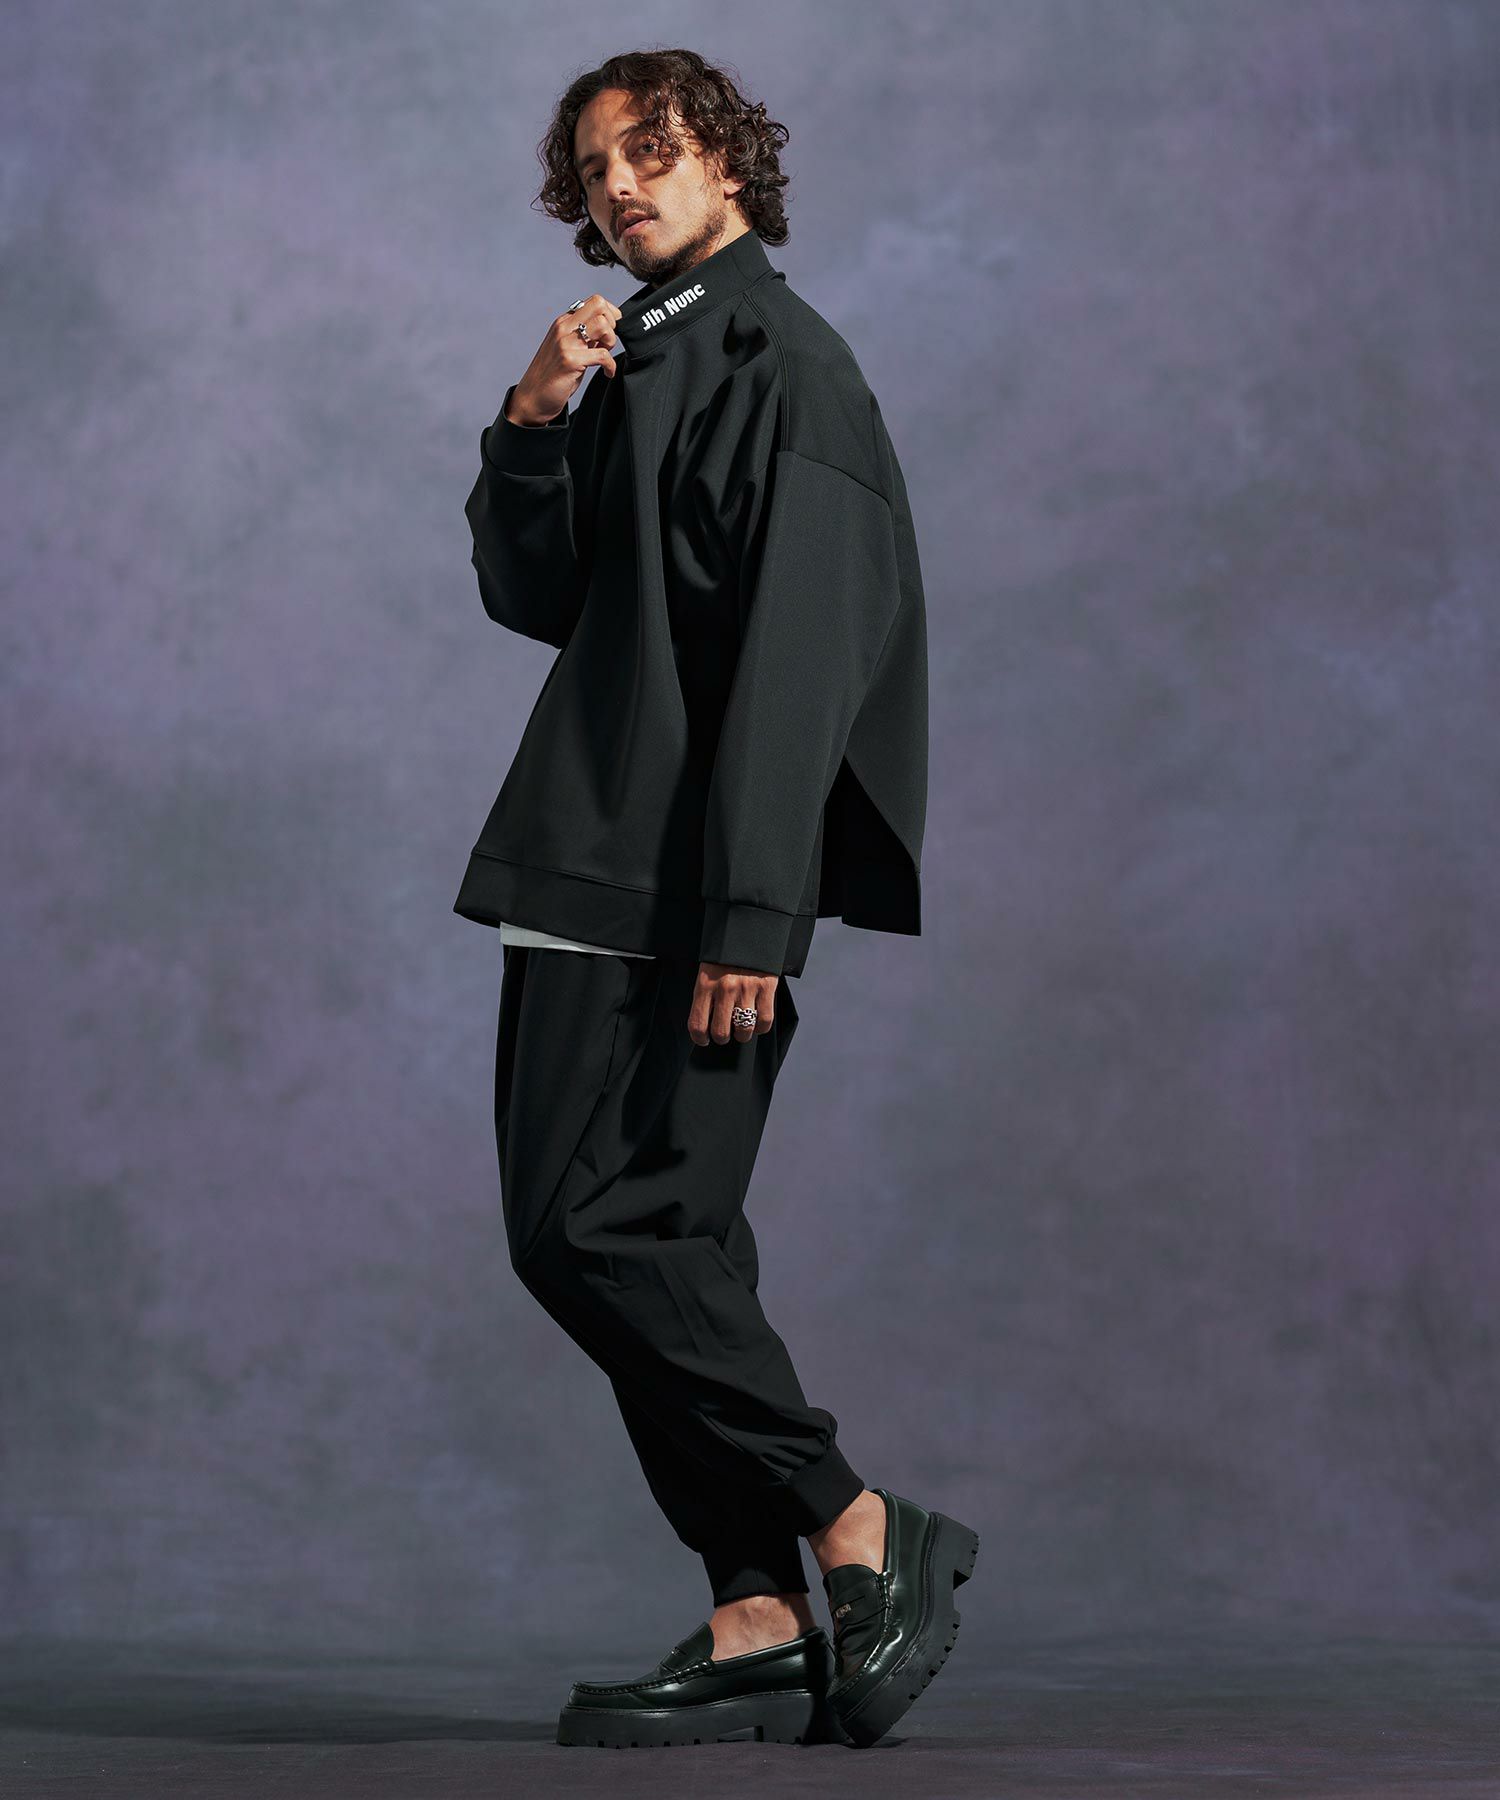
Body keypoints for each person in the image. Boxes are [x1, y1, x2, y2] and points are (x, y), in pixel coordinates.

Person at [451, 47, 977, 1750]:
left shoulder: (786, 368)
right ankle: (754, 1608)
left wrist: (757, 914)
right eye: (595, 165)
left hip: (677, 885)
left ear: (728, 162)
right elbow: (543, 598)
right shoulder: (641, 358)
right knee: (668, 1246)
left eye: (652, 151)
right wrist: (535, 418)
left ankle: (857, 1524)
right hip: (590, 850)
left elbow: (804, 663)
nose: (619, 184)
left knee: (592, 1234)